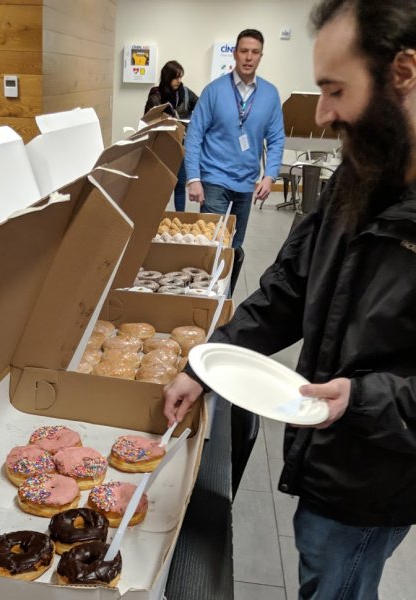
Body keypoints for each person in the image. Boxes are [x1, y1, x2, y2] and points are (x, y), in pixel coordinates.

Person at [164, 1, 416, 598]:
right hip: (325, 451)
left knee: (336, 584)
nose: (323, 113)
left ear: (403, 72)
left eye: (335, 89)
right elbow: (289, 288)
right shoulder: (359, 172)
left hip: (376, 473)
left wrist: (363, 399)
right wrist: (208, 362)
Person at [185, 29, 285, 249]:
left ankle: (228, 286)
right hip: (214, 180)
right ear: (234, 53)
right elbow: (194, 134)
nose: (249, 57)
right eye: (244, 51)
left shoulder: (270, 94)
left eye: (255, 52)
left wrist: (270, 176)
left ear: (261, 55)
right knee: (213, 245)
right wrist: (193, 178)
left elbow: (277, 138)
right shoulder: (214, 91)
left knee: (235, 247)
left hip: (246, 184)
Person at [144, 60, 198, 211]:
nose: (179, 81)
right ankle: (155, 217)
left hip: (181, 145)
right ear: (167, 77)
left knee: (180, 185)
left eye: (181, 77)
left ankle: (179, 217)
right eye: (176, 78)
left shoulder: (186, 93)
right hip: (162, 147)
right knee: (160, 186)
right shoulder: (156, 93)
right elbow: (149, 116)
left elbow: (201, 106)